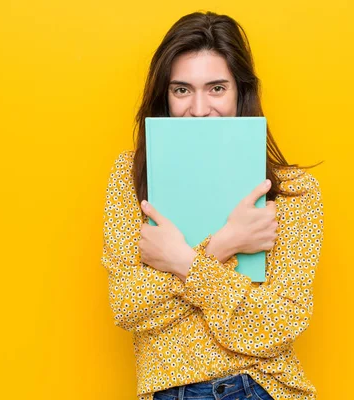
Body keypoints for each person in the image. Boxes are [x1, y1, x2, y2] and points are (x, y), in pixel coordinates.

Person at [101, 11, 325, 400]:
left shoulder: (293, 192)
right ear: (164, 96)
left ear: (240, 92)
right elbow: (127, 308)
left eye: (217, 88)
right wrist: (225, 245)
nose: (199, 109)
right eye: (182, 90)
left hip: (258, 387)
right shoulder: (131, 177)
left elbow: (279, 325)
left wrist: (181, 261)